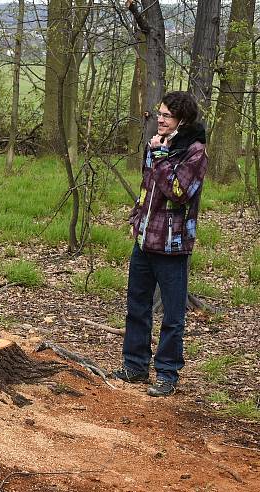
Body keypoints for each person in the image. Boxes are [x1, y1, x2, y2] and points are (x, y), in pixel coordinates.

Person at [112, 91, 207, 397]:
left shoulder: (194, 152)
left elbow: (179, 192)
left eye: (167, 115)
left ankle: (167, 373)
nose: (160, 120)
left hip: (172, 244)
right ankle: (135, 366)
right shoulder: (156, 146)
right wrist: (136, 218)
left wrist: (162, 158)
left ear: (182, 119)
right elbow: (147, 188)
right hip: (144, 239)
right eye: (159, 114)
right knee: (137, 305)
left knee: (173, 314)